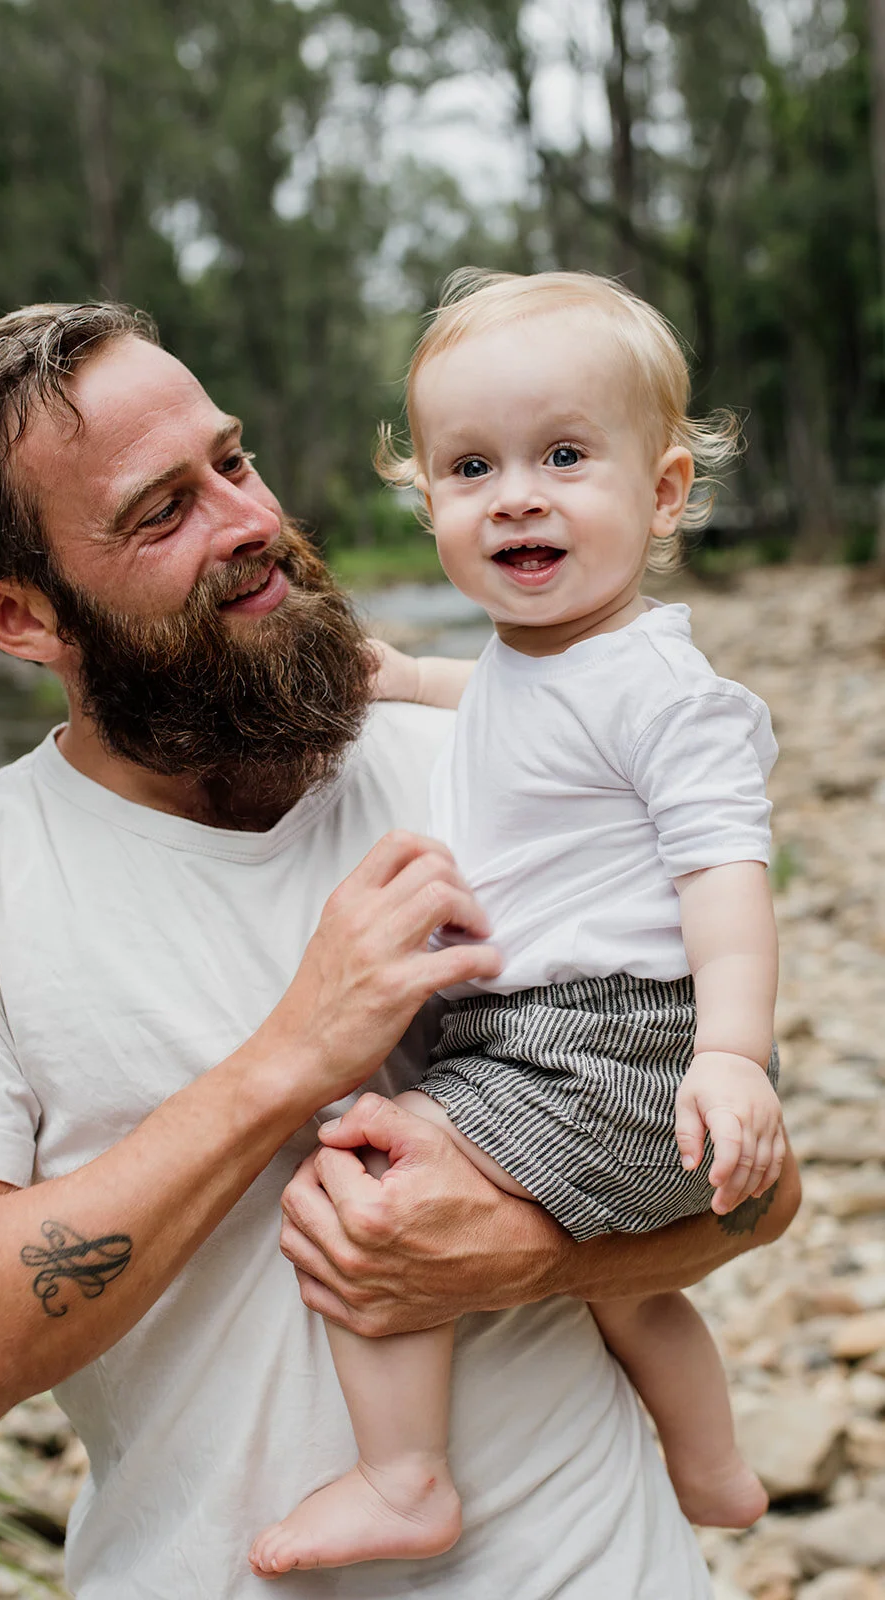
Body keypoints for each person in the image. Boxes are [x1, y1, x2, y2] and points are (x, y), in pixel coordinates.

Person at [0, 303, 799, 1600]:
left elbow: (756, 1187)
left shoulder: (495, 764)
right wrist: (287, 1059)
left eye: (231, 461)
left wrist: (533, 1254)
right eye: (160, 511)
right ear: (17, 617)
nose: (245, 521)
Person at [252, 269, 785, 1578]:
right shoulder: (531, 662)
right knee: (625, 1284)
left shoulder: (662, 691)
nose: (515, 495)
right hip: (585, 1044)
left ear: (661, 494)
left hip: (609, 1045)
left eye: (561, 455)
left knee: (373, 1181)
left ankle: (403, 1474)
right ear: (424, 499)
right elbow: (473, 691)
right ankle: (712, 1470)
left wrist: (732, 1051)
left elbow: (726, 873)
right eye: (468, 466)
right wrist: (391, 678)